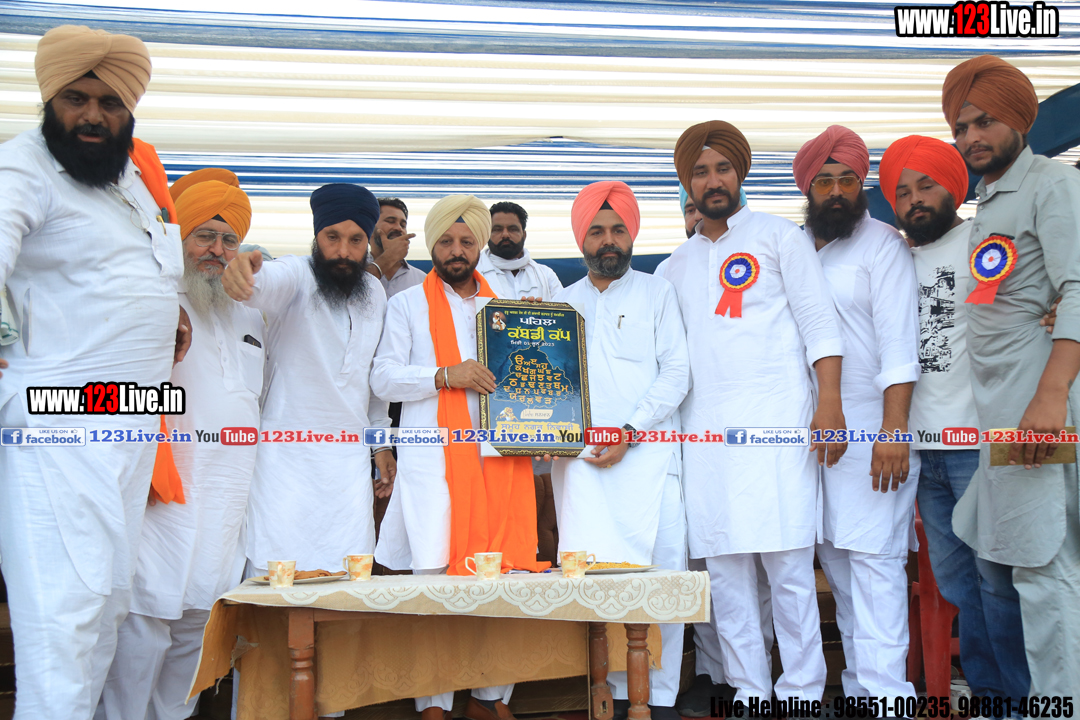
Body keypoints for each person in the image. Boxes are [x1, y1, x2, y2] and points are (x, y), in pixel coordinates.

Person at [0, 25, 188, 719]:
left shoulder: (128, 177)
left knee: (107, 608)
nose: (92, 116)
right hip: (60, 427)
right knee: (65, 620)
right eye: (76, 99)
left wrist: (168, 313)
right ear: (49, 100)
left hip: (130, 425)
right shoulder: (21, 169)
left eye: (109, 103)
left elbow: (138, 267)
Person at [662, 120, 845, 704]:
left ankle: (804, 690)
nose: (712, 180)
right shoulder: (673, 267)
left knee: (789, 570)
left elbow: (820, 325)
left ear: (740, 173)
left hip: (780, 428)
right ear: (687, 183)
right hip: (706, 439)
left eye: (722, 168)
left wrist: (831, 403)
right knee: (726, 573)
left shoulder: (780, 238)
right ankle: (748, 690)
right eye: (700, 172)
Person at [372, 194, 550, 720]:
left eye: (466, 241)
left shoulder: (508, 308)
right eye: (446, 241)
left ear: (480, 245)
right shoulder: (407, 305)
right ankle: (434, 702)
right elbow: (383, 378)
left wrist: (547, 419)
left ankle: (490, 698)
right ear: (431, 246)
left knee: (500, 580)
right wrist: (444, 376)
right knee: (434, 583)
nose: (456, 250)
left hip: (501, 462)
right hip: (434, 466)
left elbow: (536, 378)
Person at [99, 180, 265, 720]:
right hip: (162, 494)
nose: (217, 249)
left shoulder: (250, 313)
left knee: (200, 619)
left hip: (228, 497)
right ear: (178, 240)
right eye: (204, 236)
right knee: (145, 621)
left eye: (229, 239)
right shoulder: (152, 303)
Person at [942, 54, 1080, 696]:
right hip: (1000, 420)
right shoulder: (992, 200)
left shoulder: (1052, 183)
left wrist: (1050, 397)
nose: (971, 136)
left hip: (1039, 412)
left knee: (1044, 573)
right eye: (961, 127)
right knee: (1002, 562)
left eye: (985, 121)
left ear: (1020, 119)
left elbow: (1078, 287)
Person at [878, 134, 1026, 703]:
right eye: (902, 192)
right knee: (963, 585)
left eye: (926, 186)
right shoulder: (893, 259)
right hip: (923, 453)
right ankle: (990, 698)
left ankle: (1022, 702)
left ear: (954, 187)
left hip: (979, 447)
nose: (915, 200)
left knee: (999, 581)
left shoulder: (986, 242)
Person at [549, 181, 690, 720]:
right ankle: (607, 694)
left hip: (651, 460)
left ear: (632, 235)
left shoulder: (658, 293)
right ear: (580, 239)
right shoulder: (562, 304)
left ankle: (661, 698)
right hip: (583, 469)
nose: (608, 240)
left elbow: (677, 372)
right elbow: (549, 388)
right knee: (595, 581)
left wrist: (629, 431)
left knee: (663, 578)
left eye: (618, 229)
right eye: (597, 231)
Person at [793, 125, 921, 703]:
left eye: (848, 180)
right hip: (814, 438)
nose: (837, 192)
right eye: (825, 181)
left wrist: (894, 431)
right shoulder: (795, 247)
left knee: (876, 566)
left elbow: (899, 345)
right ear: (807, 188)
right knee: (840, 568)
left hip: (874, 433)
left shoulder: (882, 245)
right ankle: (861, 690)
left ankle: (890, 697)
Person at [222, 182, 395, 596]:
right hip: (286, 462)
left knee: (349, 580)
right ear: (317, 236)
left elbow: (371, 380)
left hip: (348, 465)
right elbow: (264, 282)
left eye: (355, 240)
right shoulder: (296, 274)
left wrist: (381, 444)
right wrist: (245, 272)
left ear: (368, 242)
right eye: (332, 237)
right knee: (276, 577)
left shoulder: (374, 292)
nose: (343, 251)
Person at [478, 201, 563, 300]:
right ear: (487, 235)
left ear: (524, 235)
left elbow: (563, 308)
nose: (505, 235)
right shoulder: (473, 274)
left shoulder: (546, 275)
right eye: (497, 229)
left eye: (512, 229)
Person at [367, 197, 426, 297]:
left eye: (403, 225)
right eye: (390, 221)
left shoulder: (422, 280)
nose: (399, 228)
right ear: (370, 227)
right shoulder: (353, 270)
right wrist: (389, 258)